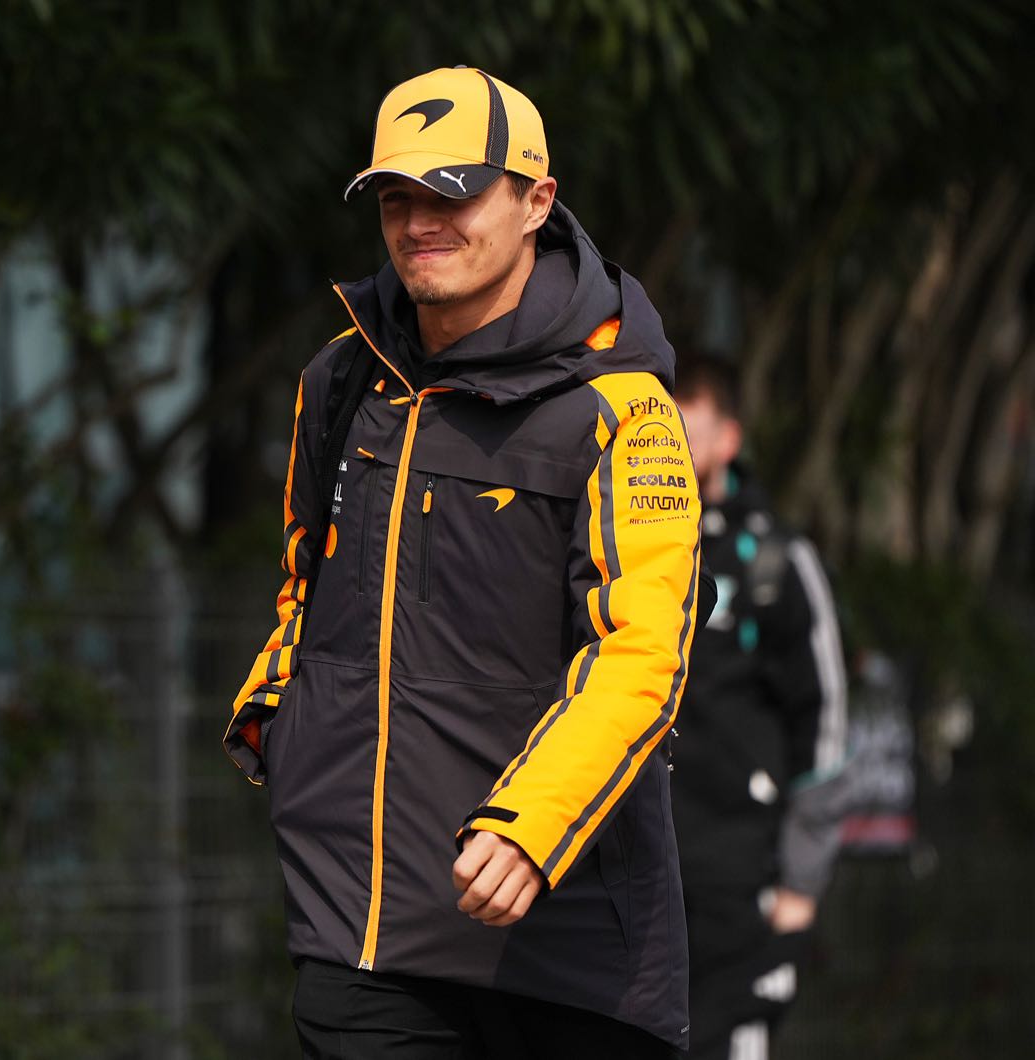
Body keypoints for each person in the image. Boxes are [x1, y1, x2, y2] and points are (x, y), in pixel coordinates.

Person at [223, 66, 708, 1058]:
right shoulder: (340, 378)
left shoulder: (622, 407)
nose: (418, 224)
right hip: (362, 932)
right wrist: (277, 708)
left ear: (536, 200)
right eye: (394, 198)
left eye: (451, 193)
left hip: (573, 950)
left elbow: (640, 652)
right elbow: (305, 579)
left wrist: (532, 825)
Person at [670, 356, 849, 1060]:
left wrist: (801, 886)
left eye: (689, 431)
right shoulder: (617, 544)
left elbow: (823, 724)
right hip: (631, 876)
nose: (672, 447)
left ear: (728, 439)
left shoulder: (775, 560)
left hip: (738, 879)